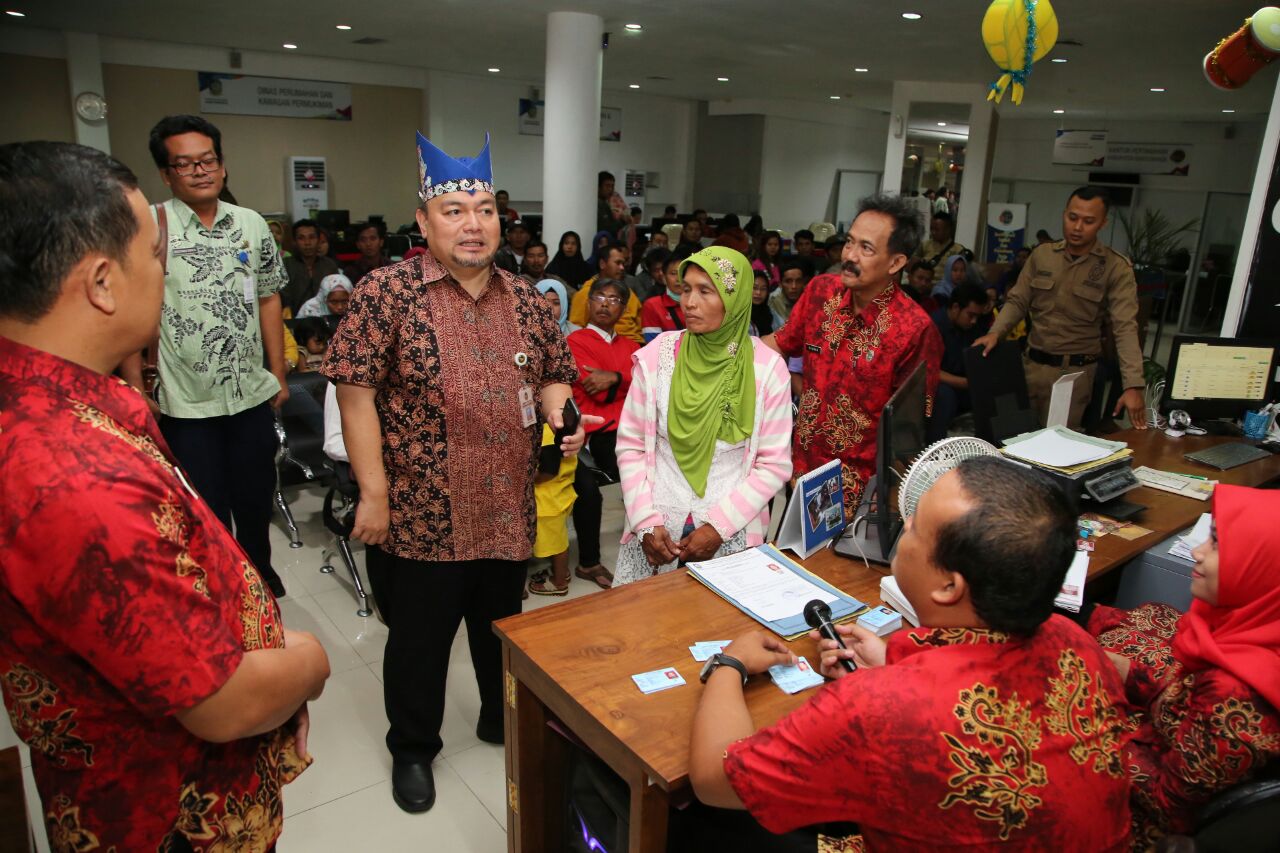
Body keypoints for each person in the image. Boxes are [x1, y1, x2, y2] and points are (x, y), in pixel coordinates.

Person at [0, 140, 331, 853]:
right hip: (165, 813)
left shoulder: (61, 398)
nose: (164, 267)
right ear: (101, 282)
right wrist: (305, 660)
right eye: (154, 253)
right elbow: (221, 703)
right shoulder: (74, 474)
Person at [321, 131, 587, 814]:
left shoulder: (527, 298)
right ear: (424, 222)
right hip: (423, 512)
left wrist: (564, 412)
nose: (473, 225)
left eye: (484, 210)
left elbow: (554, 375)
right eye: (455, 211)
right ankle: (413, 746)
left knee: (500, 627)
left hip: (507, 504)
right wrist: (374, 494)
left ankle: (499, 717)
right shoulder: (386, 293)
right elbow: (354, 397)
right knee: (419, 643)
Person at [682, 457, 1131, 852]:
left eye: (915, 525)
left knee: (695, 820)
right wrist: (896, 666)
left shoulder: (878, 707)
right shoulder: (1075, 642)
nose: (903, 523)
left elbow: (712, 779)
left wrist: (730, 663)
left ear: (948, 586)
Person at [119, 113, 290, 598]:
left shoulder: (252, 224)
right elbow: (135, 310)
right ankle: (223, 583)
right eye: (185, 164)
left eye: (208, 160)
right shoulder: (151, 225)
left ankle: (258, 570)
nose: (199, 171)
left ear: (222, 165)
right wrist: (135, 387)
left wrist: (277, 372)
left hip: (249, 394)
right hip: (185, 400)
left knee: (255, 499)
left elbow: (269, 297)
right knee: (206, 504)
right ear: (167, 173)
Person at [1087, 484, 1280, 848]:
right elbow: (1187, 703)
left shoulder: (1234, 694)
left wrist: (1084, 735)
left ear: (1264, 564)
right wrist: (1131, 673)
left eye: (1218, 544)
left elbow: (1168, 805)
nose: (1197, 552)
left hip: (1147, 823)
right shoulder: (1253, 632)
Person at [615, 247, 793, 586]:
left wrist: (719, 527)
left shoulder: (767, 369)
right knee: (646, 627)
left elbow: (773, 465)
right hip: (658, 525)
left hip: (732, 527)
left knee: (722, 633)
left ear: (734, 299)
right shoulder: (656, 358)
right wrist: (646, 521)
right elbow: (631, 447)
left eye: (705, 291)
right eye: (686, 289)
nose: (689, 302)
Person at [764, 193, 942, 513]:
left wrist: (889, 509)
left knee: (834, 565)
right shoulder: (821, 291)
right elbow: (780, 342)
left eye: (866, 248)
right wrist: (722, 346)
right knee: (792, 557)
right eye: (850, 242)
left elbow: (907, 436)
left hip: (859, 493)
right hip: (802, 469)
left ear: (896, 262)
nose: (850, 255)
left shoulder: (915, 330)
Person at [974, 186, 1148, 430]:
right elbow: (1018, 300)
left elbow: (1125, 328)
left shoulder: (1115, 268)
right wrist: (996, 332)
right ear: (1064, 213)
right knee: (1013, 441)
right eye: (1072, 218)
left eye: (1088, 221)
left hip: (1072, 376)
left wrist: (1133, 385)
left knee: (1054, 452)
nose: (1077, 227)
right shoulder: (1043, 256)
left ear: (1103, 223)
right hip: (1030, 368)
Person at [566, 278, 641, 590]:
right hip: (592, 432)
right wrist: (624, 382)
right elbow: (593, 389)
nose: (606, 303)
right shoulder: (576, 341)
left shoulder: (632, 347)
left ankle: (649, 543)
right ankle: (589, 562)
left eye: (614, 299)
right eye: (599, 297)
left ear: (622, 309)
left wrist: (616, 377)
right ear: (589, 302)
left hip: (630, 428)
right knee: (589, 492)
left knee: (658, 471)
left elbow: (645, 385)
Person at [927, 282, 990, 442]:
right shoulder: (933, 326)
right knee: (945, 396)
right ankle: (935, 447)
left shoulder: (972, 328)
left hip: (963, 379)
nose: (974, 321)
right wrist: (966, 383)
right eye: (971, 315)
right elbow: (929, 370)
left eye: (978, 316)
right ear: (955, 308)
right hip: (936, 384)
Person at [526, 423, 578, 597]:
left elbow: (548, 472)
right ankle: (561, 571)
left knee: (557, 545)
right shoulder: (560, 427)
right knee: (560, 538)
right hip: (560, 492)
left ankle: (559, 582)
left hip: (547, 502)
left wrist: (526, 477)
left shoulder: (546, 436)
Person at [568, 242, 644, 344]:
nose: (622, 268)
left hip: (636, 346)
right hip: (603, 345)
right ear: (602, 264)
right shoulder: (585, 293)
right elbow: (575, 329)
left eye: (623, 263)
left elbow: (640, 325)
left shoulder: (627, 292)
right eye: (617, 263)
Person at [284, 219, 340, 313]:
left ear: (318, 240)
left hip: (326, 320)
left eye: (312, 237)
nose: (307, 243)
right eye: (301, 238)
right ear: (294, 242)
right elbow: (283, 300)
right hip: (294, 322)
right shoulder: (286, 265)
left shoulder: (329, 265)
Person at [911, 211, 968, 286]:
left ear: (948, 230)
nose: (933, 232)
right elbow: (912, 268)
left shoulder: (958, 250)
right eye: (932, 229)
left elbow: (961, 275)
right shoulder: (924, 245)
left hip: (944, 287)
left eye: (937, 229)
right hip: (924, 284)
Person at [640, 250, 687, 342]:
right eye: (673, 273)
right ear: (664, 277)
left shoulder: (700, 303)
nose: (678, 278)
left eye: (682, 273)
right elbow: (653, 345)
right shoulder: (653, 305)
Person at [767, 258, 810, 330]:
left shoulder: (809, 301)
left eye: (798, 281)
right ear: (780, 284)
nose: (794, 286)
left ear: (803, 283)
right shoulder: (772, 301)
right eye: (788, 281)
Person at [596, 170, 629, 238]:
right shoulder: (599, 204)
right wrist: (622, 220)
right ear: (599, 187)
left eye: (612, 186)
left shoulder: (606, 203)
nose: (610, 189)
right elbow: (607, 230)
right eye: (607, 186)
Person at [749, 268, 773, 337]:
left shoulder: (769, 313)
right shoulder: (739, 313)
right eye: (754, 288)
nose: (758, 292)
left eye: (763, 289)